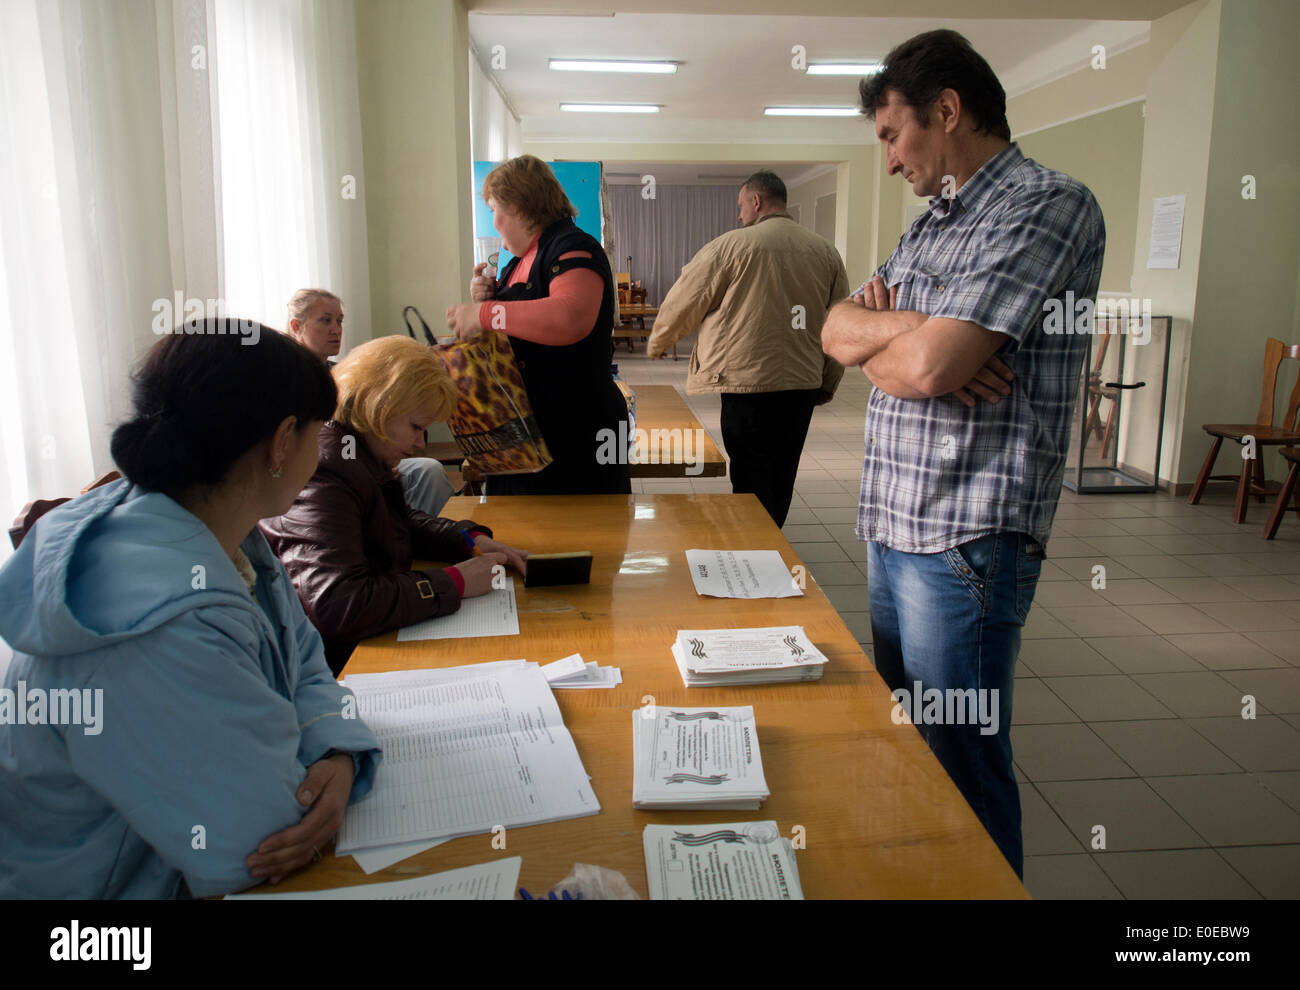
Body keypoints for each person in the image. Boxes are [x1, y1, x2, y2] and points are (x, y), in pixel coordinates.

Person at [821, 29, 1106, 879]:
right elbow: (838, 329)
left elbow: (930, 367)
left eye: (891, 136)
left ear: (946, 112)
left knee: (963, 763)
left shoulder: (1046, 205)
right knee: (908, 747)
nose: (888, 162)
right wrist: (904, 334)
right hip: (890, 524)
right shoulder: (931, 228)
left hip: (966, 538)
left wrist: (913, 348)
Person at [0, 320, 382, 898]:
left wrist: (336, 750)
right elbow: (258, 844)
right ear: (282, 441)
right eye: (319, 430)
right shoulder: (158, 628)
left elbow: (305, 663)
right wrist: (325, 769)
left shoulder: (225, 532)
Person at [261, 335, 528, 674]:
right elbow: (338, 604)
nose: (420, 444)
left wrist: (468, 539)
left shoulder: (352, 450)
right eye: (416, 427)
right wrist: (454, 582)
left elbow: (392, 520)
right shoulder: (326, 468)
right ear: (380, 404)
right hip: (336, 666)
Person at [647, 170, 848, 527]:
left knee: (750, 471)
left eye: (741, 206)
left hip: (747, 383)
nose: (739, 215)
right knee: (783, 471)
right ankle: (771, 539)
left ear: (756, 202)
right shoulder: (825, 252)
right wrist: (828, 379)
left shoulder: (730, 246)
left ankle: (755, 550)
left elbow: (686, 298)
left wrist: (660, 340)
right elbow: (840, 321)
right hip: (802, 383)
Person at [444, 154, 631, 495]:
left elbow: (570, 317)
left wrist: (484, 314)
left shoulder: (573, 246)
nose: (494, 221)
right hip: (526, 428)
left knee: (586, 539)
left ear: (518, 205)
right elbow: (515, 329)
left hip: (579, 428)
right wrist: (485, 300)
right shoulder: (518, 262)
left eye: (493, 209)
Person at [287, 287, 455, 516]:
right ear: (297, 327)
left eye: (339, 321)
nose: (336, 330)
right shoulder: (286, 379)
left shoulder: (345, 376)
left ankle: (414, 539)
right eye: (325, 321)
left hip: (359, 460)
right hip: (316, 468)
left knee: (428, 470)